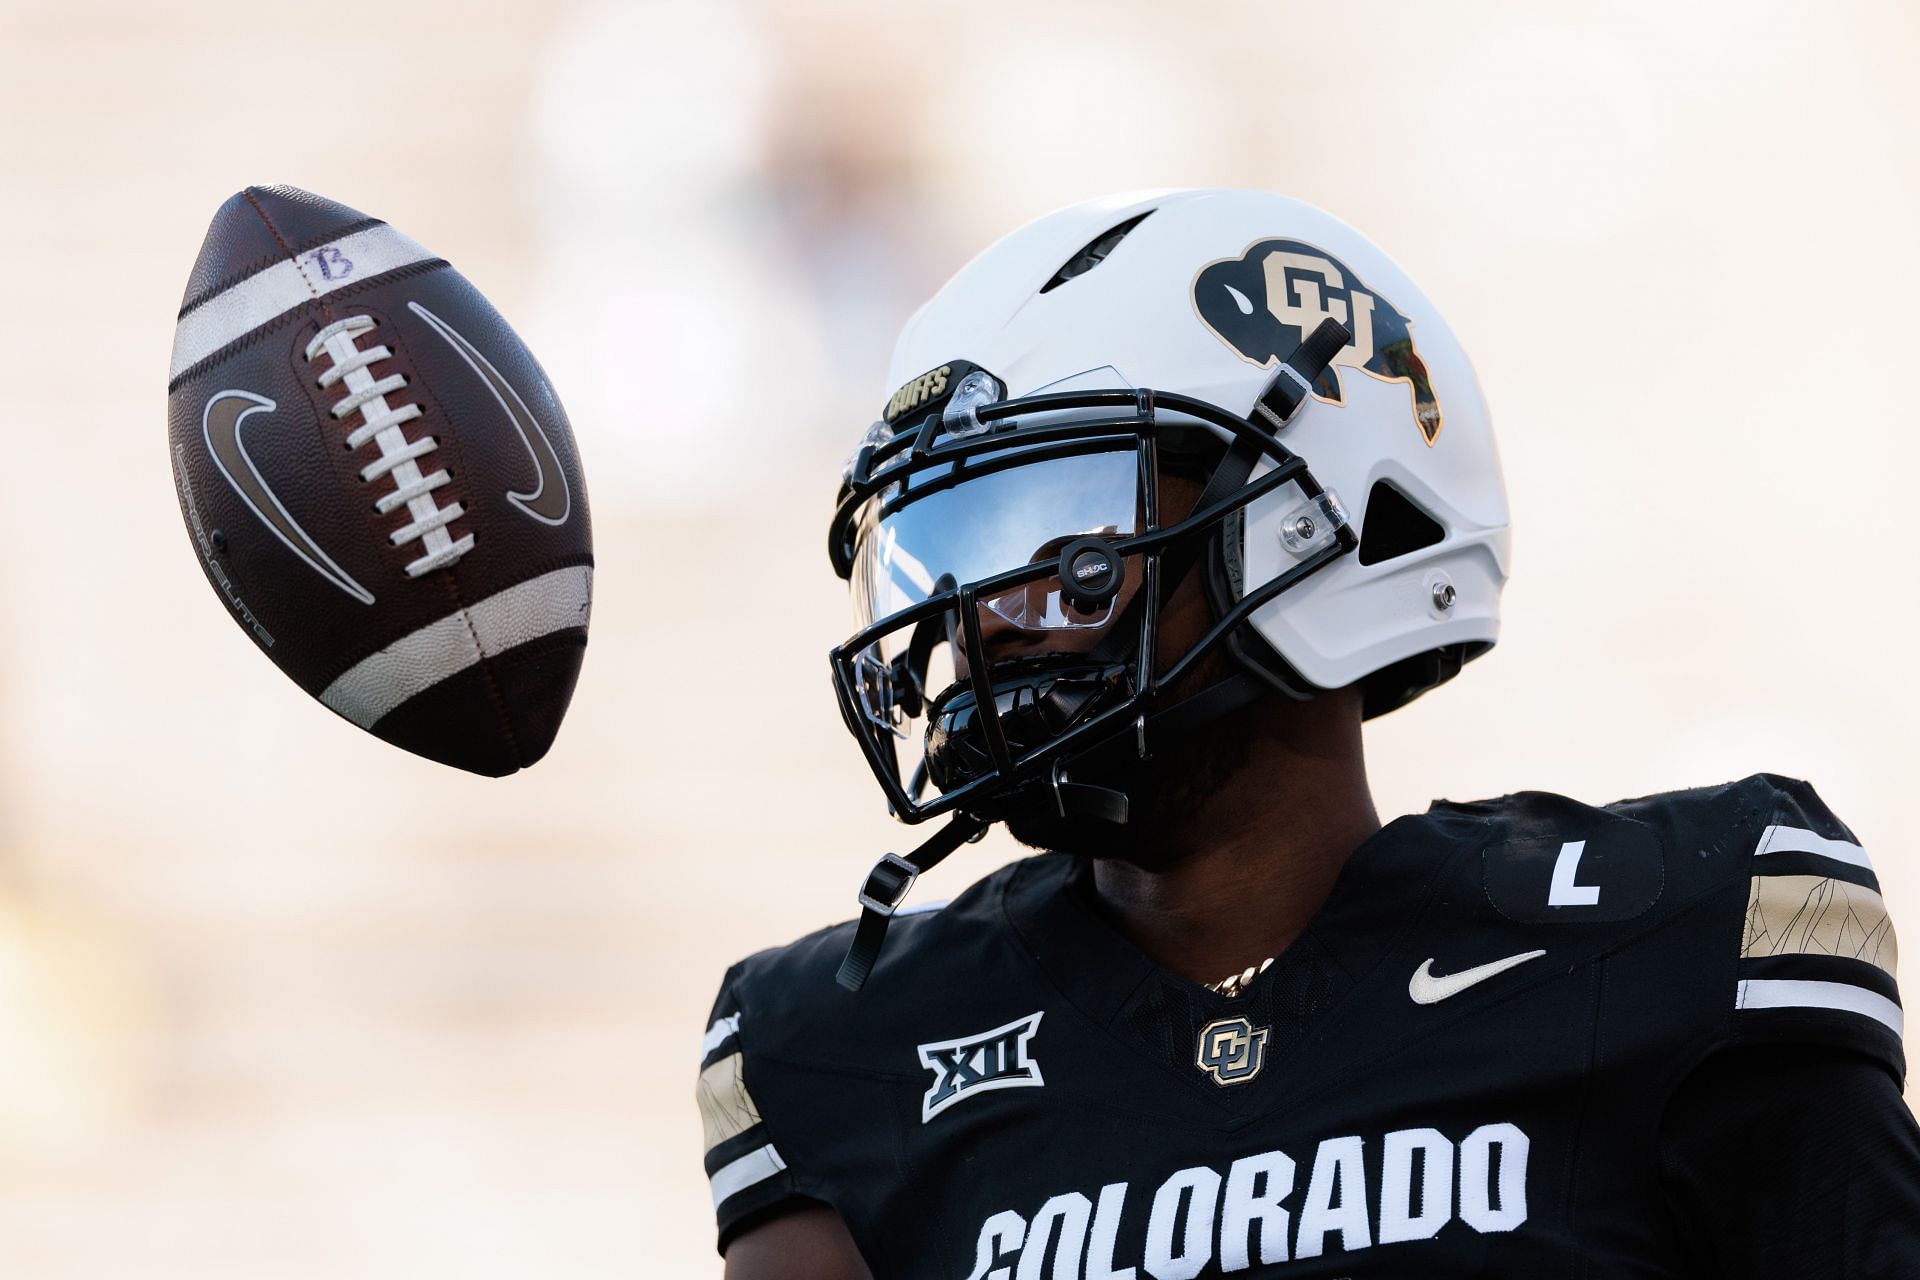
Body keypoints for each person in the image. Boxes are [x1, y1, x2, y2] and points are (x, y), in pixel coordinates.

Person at [696, 189, 1919, 1278]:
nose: (987, 621)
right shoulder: (842, 1045)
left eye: (1058, 541)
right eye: (949, 552)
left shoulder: (1673, 941)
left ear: (1319, 512)